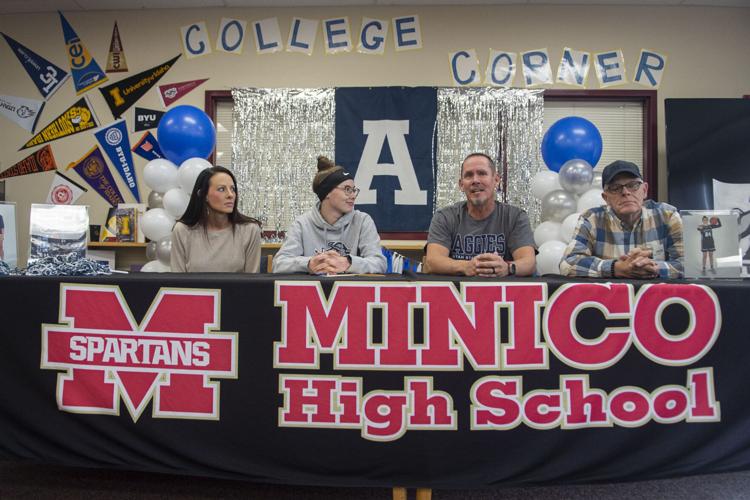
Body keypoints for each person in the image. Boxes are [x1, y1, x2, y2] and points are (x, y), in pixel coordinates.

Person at [560, 160, 684, 279]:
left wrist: (654, 268)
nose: (625, 192)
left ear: (644, 190)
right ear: (606, 198)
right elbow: (568, 263)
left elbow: (690, 264)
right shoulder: (592, 219)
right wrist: (616, 268)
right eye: (615, 188)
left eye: (633, 185)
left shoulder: (667, 216)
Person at [424, 153, 536, 277]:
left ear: (496, 180)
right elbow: (433, 261)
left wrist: (507, 267)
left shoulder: (515, 217)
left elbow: (529, 263)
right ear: (461, 184)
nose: (475, 180)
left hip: (502, 294)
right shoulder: (444, 217)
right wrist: (465, 267)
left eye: (482, 173)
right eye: (469, 175)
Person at [273, 156, 387, 275]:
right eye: (347, 189)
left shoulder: (362, 221)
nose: (353, 195)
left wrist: (349, 263)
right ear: (327, 193)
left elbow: (380, 263)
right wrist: (308, 264)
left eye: (354, 190)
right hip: (311, 292)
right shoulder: (302, 224)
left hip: (352, 292)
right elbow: (279, 264)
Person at [170, 166, 261, 273]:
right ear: (204, 195)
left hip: (237, 290)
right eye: (221, 189)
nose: (230, 195)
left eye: (233, 189)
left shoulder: (249, 230)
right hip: (195, 290)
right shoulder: (182, 230)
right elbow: (177, 283)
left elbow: (252, 283)